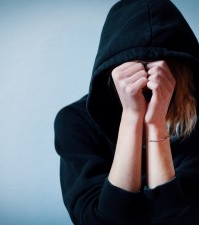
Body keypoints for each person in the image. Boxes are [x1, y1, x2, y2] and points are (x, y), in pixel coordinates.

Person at [54, 0, 199, 224]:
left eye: (165, 70)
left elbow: (177, 220)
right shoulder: (74, 122)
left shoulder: (196, 122)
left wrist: (155, 124)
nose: (150, 85)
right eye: (135, 66)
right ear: (111, 72)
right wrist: (132, 118)